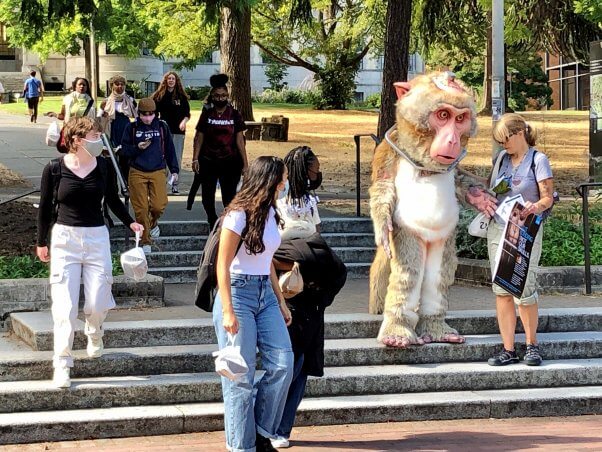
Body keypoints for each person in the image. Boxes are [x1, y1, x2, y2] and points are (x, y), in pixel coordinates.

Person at [35, 116, 143, 388]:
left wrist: (130, 221)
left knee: (97, 301)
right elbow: (46, 207)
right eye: (94, 136)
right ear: (76, 140)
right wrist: (41, 241)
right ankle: (62, 361)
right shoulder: (54, 169)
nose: (98, 141)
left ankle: (94, 330)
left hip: (96, 237)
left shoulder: (104, 166)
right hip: (64, 238)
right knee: (65, 306)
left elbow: (113, 200)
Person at [213, 156, 293, 452]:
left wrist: (280, 300)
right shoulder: (237, 214)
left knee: (284, 363)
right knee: (240, 378)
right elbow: (221, 265)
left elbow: (267, 259)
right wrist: (228, 311)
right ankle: (241, 447)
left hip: (265, 293)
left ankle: (260, 432)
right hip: (237, 292)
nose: (285, 184)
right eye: (282, 179)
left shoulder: (271, 211)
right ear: (268, 180)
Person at [271, 146, 346, 449]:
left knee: (302, 362)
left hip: (310, 290)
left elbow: (317, 239)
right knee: (291, 360)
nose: (318, 172)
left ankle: (283, 426)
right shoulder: (278, 201)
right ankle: (272, 423)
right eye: (314, 168)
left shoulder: (310, 202)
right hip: (288, 290)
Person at [487, 113, 554, 367]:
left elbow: (548, 196)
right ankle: (508, 348)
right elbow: (492, 189)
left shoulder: (538, 160)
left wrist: (534, 207)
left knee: (524, 288)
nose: (504, 145)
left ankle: (531, 344)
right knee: (502, 289)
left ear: (519, 134)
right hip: (499, 228)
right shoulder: (501, 159)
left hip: (525, 228)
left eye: (506, 139)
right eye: (500, 140)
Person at [188, 73, 248, 228]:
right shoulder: (207, 113)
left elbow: (240, 140)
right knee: (207, 196)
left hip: (230, 161)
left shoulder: (234, 114)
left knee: (229, 196)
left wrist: (245, 164)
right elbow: (199, 136)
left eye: (223, 96)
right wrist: (195, 158)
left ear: (227, 96)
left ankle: (228, 223)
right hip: (208, 160)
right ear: (212, 96)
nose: (220, 98)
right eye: (217, 96)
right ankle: (211, 219)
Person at [120, 98, 179, 254]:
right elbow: (124, 150)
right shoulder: (131, 127)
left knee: (158, 205)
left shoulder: (161, 127)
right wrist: (137, 148)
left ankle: (152, 223)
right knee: (141, 209)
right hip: (137, 171)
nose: (147, 118)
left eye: (151, 114)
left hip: (158, 169)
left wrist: (174, 169)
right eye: (144, 114)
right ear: (138, 114)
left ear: (155, 114)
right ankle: (145, 240)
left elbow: (170, 149)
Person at [152, 71, 190, 194]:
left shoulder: (181, 96)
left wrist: (184, 122)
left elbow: (187, 114)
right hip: (163, 130)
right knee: (162, 156)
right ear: (165, 80)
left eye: (173, 78)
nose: (171, 81)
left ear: (176, 81)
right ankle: (161, 183)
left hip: (178, 131)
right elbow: (152, 112)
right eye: (169, 79)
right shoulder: (159, 95)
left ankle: (175, 184)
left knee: (176, 157)